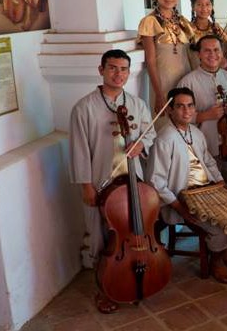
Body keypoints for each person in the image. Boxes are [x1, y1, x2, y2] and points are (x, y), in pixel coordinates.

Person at [69, 49, 156, 313]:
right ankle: (104, 288)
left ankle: (134, 280)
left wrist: (141, 144)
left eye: (124, 69)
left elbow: (148, 133)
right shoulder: (84, 107)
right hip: (100, 180)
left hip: (132, 179)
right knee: (99, 236)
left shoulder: (137, 104)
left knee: (134, 232)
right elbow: (79, 149)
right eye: (113, 68)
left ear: (129, 73)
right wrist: (86, 184)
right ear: (101, 70)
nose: (118, 74)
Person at [147, 87, 227, 284]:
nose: (187, 111)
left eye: (190, 106)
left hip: (209, 188)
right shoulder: (164, 139)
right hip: (184, 198)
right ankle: (217, 261)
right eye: (180, 106)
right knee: (220, 225)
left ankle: (226, 251)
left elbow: (209, 162)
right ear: (170, 110)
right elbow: (156, 182)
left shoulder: (196, 132)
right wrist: (181, 208)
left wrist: (220, 182)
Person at [177, 35, 227, 188]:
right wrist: (204, 115)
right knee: (211, 194)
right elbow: (178, 117)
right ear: (199, 54)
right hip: (204, 149)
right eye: (207, 51)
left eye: (216, 50)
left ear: (222, 53)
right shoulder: (187, 82)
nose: (212, 55)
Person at [138, 0, 195, 117]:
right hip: (163, 82)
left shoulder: (183, 22)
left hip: (186, 79)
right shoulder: (149, 21)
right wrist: (159, 94)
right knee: (165, 124)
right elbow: (150, 61)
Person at [189, 0, 227, 69]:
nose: (204, 9)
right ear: (193, 7)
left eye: (207, 4)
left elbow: (224, 51)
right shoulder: (187, 28)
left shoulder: (216, 28)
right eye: (199, 5)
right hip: (193, 70)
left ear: (212, 6)